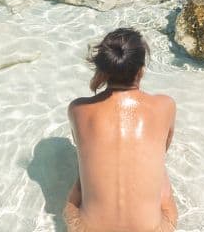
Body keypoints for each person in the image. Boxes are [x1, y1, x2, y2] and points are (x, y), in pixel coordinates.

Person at [65, 28, 178, 232]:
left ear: (104, 68)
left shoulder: (78, 109)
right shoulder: (165, 106)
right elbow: (164, 151)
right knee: (161, 175)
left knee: (76, 194)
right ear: (140, 69)